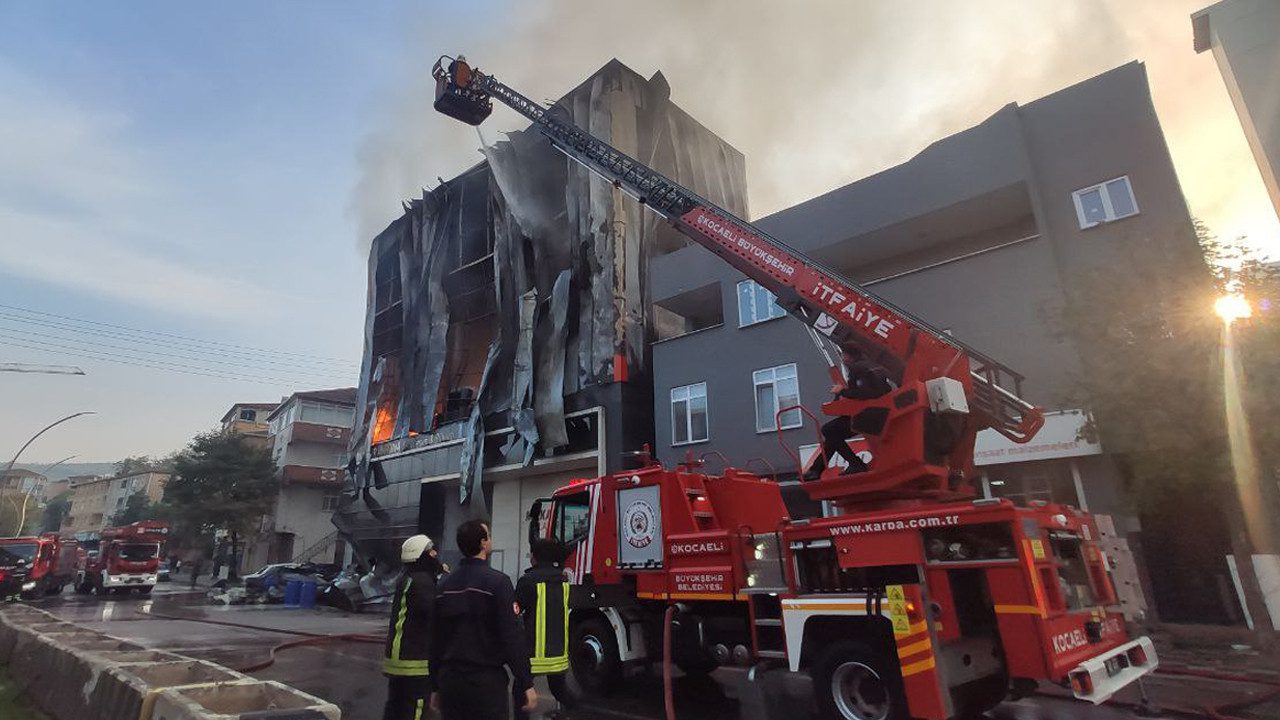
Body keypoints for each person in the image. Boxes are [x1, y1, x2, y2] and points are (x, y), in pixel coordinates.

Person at [431, 520, 535, 720]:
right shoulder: (498, 582)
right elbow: (511, 635)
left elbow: (436, 639)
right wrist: (526, 682)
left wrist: (435, 685)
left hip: (450, 682)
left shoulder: (444, 586)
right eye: (488, 536)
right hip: (485, 682)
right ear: (483, 543)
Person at [383, 534, 443, 720]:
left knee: (395, 707)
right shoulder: (423, 583)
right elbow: (435, 614)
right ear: (421, 555)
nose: (435, 554)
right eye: (431, 551)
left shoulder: (408, 579)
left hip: (398, 659)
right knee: (415, 708)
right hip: (415, 661)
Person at [514, 539, 576, 720]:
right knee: (560, 690)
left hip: (533, 654)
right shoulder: (563, 579)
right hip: (558, 653)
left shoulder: (527, 581)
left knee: (520, 691)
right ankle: (577, 712)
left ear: (535, 557)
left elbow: (516, 609)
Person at [813, 346, 896, 476]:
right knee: (833, 432)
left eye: (842, 355)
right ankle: (815, 470)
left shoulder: (857, 369)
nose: (842, 358)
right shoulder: (873, 367)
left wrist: (842, 391)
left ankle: (856, 464)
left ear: (848, 355)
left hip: (870, 415)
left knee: (828, 430)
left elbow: (866, 393)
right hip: (881, 411)